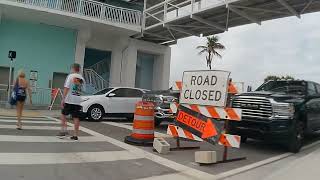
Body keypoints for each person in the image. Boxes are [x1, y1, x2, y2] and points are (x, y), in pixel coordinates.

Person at [57, 63, 85, 141]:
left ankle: (63, 131)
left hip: (69, 100)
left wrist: (63, 99)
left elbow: (66, 88)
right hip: (77, 100)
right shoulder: (82, 78)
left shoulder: (70, 76)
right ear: (79, 69)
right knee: (76, 117)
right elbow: (82, 90)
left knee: (63, 114)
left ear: (73, 68)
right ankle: (75, 135)